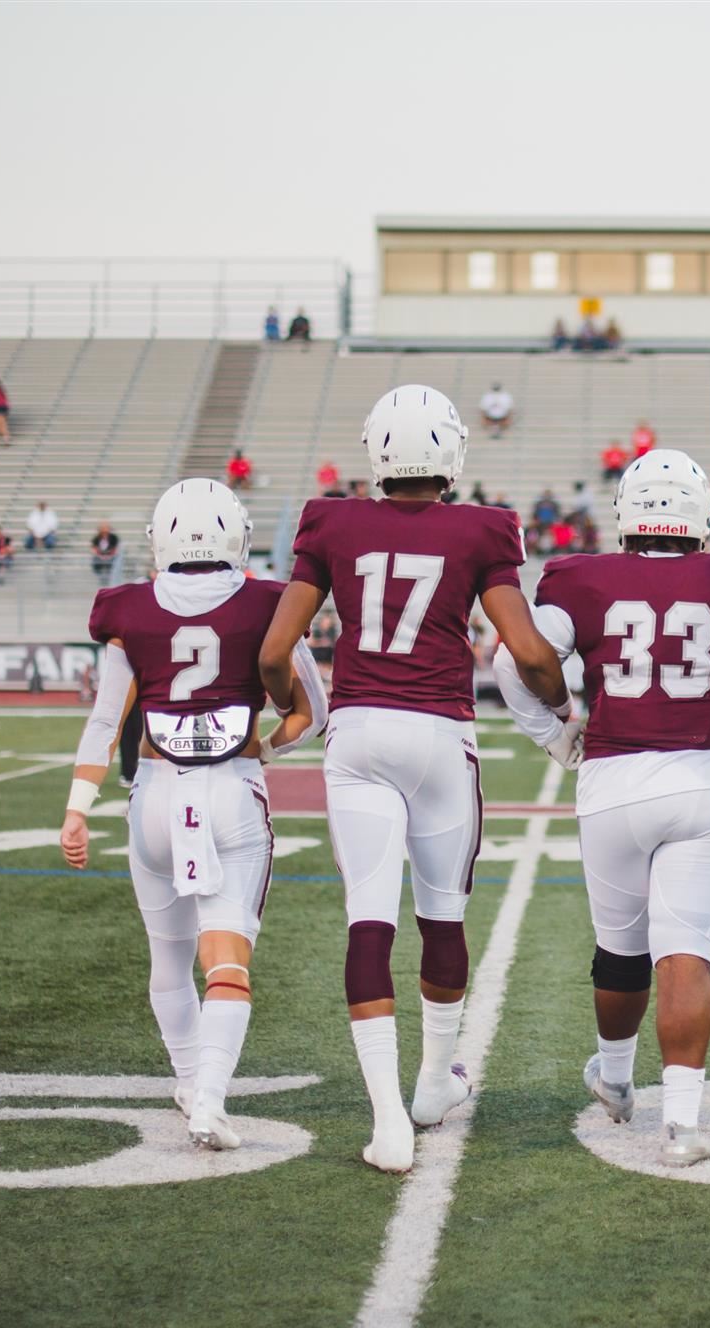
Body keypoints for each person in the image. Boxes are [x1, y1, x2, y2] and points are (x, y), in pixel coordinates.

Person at [256, 384, 570, 1175]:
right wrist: (567, 712)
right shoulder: (483, 527)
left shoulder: (330, 520)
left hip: (358, 733)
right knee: (443, 917)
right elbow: (528, 652)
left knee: (369, 919)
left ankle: (389, 1120)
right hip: (439, 735)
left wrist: (288, 711)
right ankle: (433, 1084)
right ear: (452, 455)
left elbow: (272, 652)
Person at [496, 448, 710, 1166]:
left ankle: (613, 1078)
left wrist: (556, 735)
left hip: (612, 779)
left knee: (620, 949)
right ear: (701, 514)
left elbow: (510, 661)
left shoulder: (582, 575)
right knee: (686, 951)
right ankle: (681, 1126)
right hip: (708, 775)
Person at [60, 480, 328, 1152]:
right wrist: (265, 745)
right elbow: (316, 713)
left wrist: (76, 809)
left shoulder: (128, 608)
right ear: (236, 536)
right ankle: (208, 1098)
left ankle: (188, 1080)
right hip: (230, 792)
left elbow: (104, 719)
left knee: (168, 960)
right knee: (227, 964)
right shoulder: (268, 602)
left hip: (152, 795)